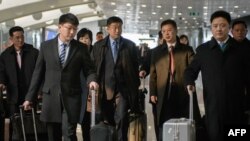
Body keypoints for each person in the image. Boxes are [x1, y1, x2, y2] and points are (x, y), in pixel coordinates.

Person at [22, 13, 99, 141]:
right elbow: (38, 73)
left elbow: (90, 70)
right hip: (51, 97)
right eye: (69, 28)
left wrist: (92, 81)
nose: (72, 32)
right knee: (53, 135)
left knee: (69, 133)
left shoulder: (80, 48)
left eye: (75, 29)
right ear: (60, 27)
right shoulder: (46, 46)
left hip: (72, 97)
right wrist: (29, 98)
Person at [184, 10, 250, 141]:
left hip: (237, 107)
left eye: (223, 25)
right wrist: (189, 82)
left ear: (229, 28)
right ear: (211, 27)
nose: (219, 29)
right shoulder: (203, 51)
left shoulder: (241, 50)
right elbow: (190, 71)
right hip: (213, 107)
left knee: (237, 135)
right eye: (215, 26)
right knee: (215, 136)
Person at [149, 19, 201, 141]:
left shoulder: (187, 50)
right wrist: (152, 93)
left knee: (183, 122)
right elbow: (153, 74)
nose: (167, 33)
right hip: (163, 93)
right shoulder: (156, 52)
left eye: (170, 30)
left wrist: (190, 83)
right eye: (164, 31)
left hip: (183, 92)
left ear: (176, 31)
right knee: (164, 122)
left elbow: (193, 70)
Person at [91, 16, 140, 141]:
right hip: (105, 88)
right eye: (114, 27)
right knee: (108, 119)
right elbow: (93, 67)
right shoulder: (98, 46)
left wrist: (135, 86)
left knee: (122, 117)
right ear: (108, 29)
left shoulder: (130, 46)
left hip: (123, 89)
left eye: (119, 27)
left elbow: (135, 67)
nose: (117, 30)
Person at [0, 26, 39, 140]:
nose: (20, 40)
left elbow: (40, 72)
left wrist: (39, 91)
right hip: (13, 96)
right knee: (14, 123)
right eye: (17, 38)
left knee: (31, 122)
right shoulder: (5, 55)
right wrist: (1, 83)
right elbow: (1, 72)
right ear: (11, 39)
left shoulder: (34, 52)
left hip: (30, 94)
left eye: (22, 37)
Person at [76, 28, 94, 141]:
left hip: (92, 94)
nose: (84, 41)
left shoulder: (96, 53)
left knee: (88, 123)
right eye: (81, 38)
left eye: (87, 38)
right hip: (78, 93)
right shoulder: (74, 53)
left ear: (91, 40)